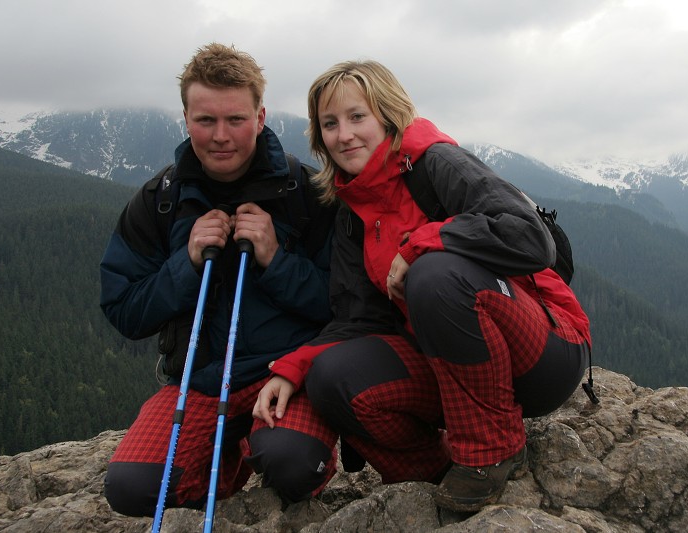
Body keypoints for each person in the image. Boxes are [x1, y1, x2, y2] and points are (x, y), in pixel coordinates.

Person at [253, 60, 592, 513]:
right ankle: (433, 469)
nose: (344, 134)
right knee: (332, 376)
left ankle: (494, 450)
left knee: (434, 274)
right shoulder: (354, 212)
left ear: (388, 116)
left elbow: (531, 238)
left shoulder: (437, 161)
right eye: (329, 124)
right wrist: (293, 368)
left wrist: (423, 243)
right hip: (453, 364)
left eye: (358, 117)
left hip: (543, 353)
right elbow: (360, 320)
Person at [99, 43, 338, 517]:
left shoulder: (306, 194)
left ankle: (275, 447)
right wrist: (183, 264)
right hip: (201, 385)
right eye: (205, 120)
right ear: (185, 117)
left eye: (235, 119)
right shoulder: (159, 202)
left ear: (261, 116)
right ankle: (226, 462)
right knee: (131, 488)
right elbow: (123, 308)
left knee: (291, 465)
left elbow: (347, 306)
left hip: (289, 377)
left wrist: (276, 258)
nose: (221, 136)